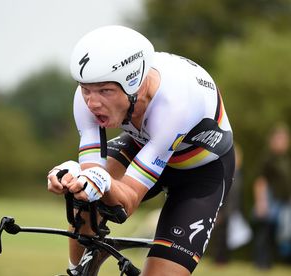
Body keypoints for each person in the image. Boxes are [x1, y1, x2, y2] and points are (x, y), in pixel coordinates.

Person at [47, 25, 235, 275]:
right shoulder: (87, 96)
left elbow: (126, 203)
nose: (92, 103)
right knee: (83, 204)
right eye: (86, 89)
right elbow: (92, 176)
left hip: (200, 172)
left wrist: (100, 180)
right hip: (142, 145)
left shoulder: (175, 105)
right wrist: (74, 176)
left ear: (135, 85)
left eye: (105, 91)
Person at [253, 123, 291, 269]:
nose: (283, 142)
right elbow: (260, 181)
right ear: (273, 141)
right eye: (280, 139)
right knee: (265, 232)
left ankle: (270, 263)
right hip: (271, 201)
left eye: (285, 139)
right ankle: (261, 263)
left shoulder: (285, 159)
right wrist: (261, 202)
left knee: (278, 234)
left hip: (284, 203)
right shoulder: (268, 158)